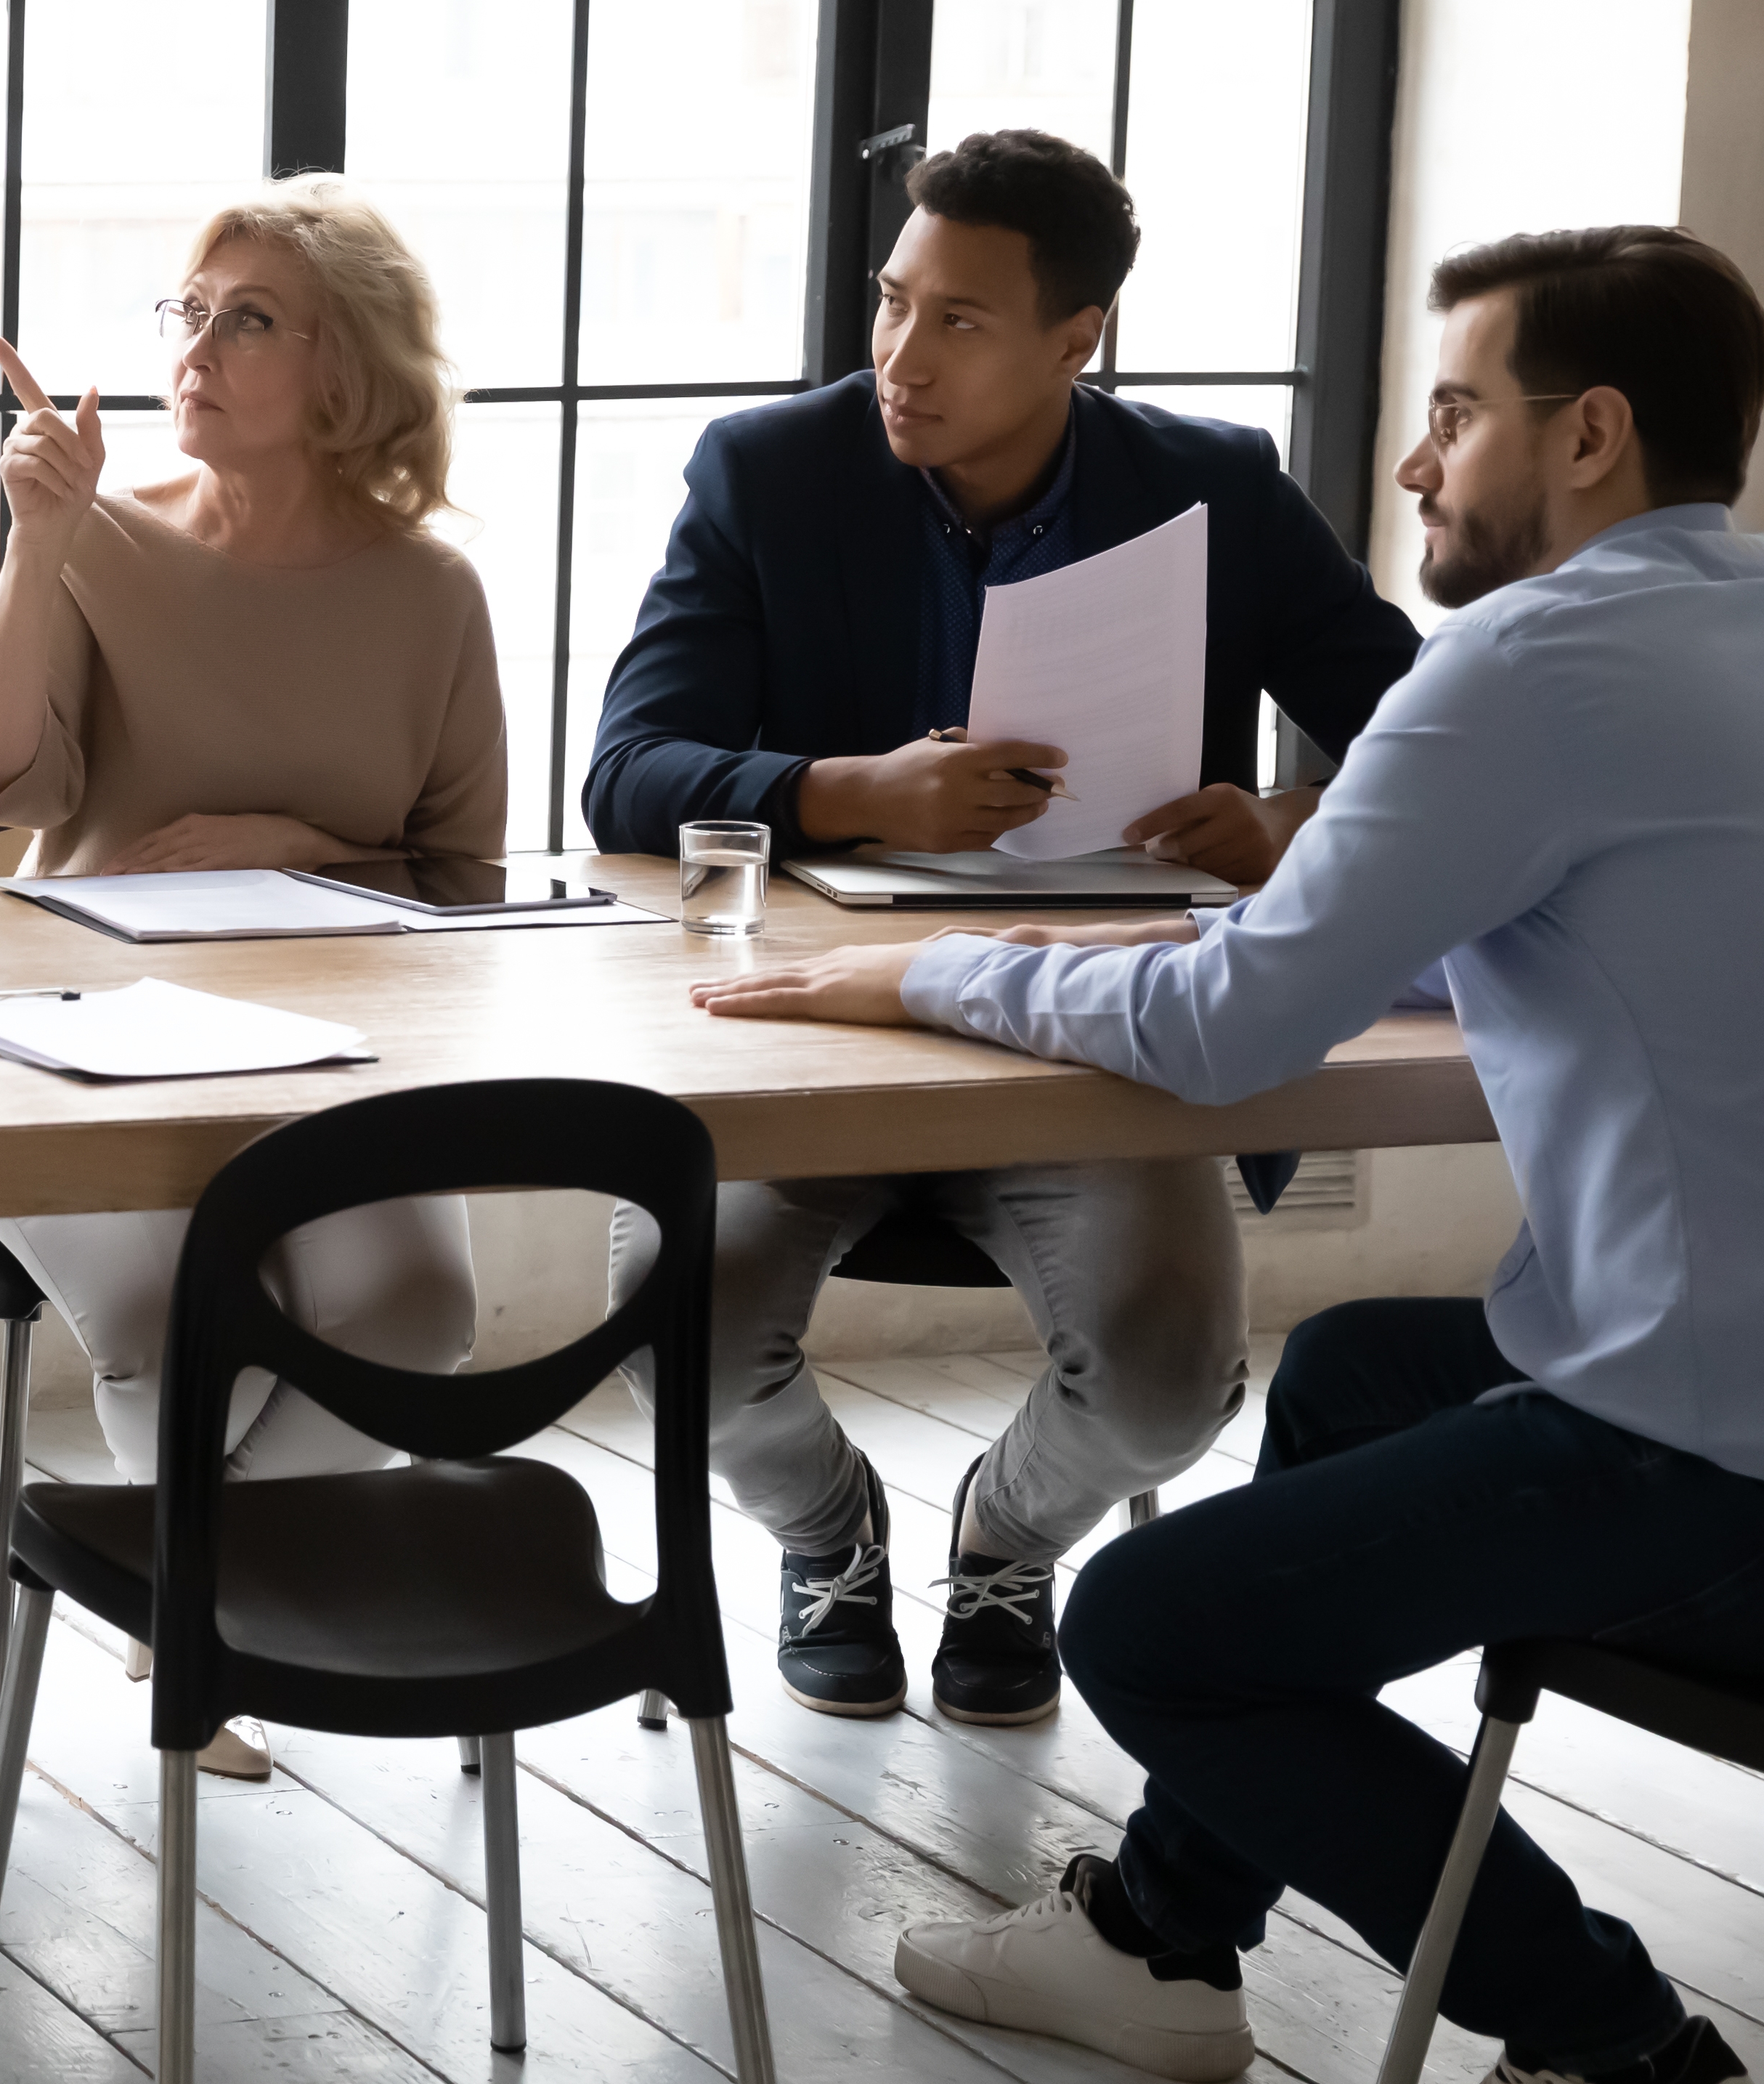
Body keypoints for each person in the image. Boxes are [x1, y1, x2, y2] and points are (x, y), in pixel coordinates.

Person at [701, 222, 1764, 2084]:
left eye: (1454, 411)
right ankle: (1158, 1933)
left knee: (1148, 1630)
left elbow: (1224, 1028)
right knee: (1352, 1369)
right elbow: (1576, 922)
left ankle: (1616, 2047)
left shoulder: (1538, 659)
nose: (1410, 463)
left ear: (1586, 435)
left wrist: (934, 973)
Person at [580, 127, 1420, 1727]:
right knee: (672, 1330)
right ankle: (829, 1536)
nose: (901, 354)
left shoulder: (1212, 484)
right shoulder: (768, 469)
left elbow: (1423, 734)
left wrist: (1288, 824)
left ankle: (1004, 1540)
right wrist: (856, 791)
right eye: (891, 303)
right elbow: (628, 775)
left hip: (1096, 1026)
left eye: (957, 320)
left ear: (1075, 338)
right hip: (809, 1019)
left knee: (1170, 1384)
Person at [0, 178, 503, 1782]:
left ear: (348, 367)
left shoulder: (434, 593)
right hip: (70, 1023)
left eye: (248, 318)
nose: (198, 345)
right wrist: (40, 545)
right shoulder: (101, 539)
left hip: (333, 1042)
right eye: (190, 310)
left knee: (422, 1306)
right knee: (180, 1320)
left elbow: (463, 883)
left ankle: (176, 1594)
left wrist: (290, 843)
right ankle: (210, 1634)